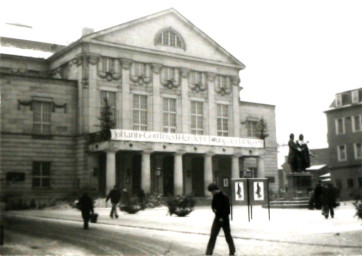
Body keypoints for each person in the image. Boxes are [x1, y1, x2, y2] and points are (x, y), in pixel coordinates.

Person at [205, 183, 235, 256]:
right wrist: (214, 210)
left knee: (227, 235)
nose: (212, 193)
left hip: (224, 219)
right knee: (213, 235)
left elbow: (227, 209)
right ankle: (209, 252)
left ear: (215, 190)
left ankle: (232, 251)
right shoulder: (215, 196)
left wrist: (222, 218)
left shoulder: (225, 196)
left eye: (212, 191)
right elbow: (213, 205)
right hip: (217, 218)